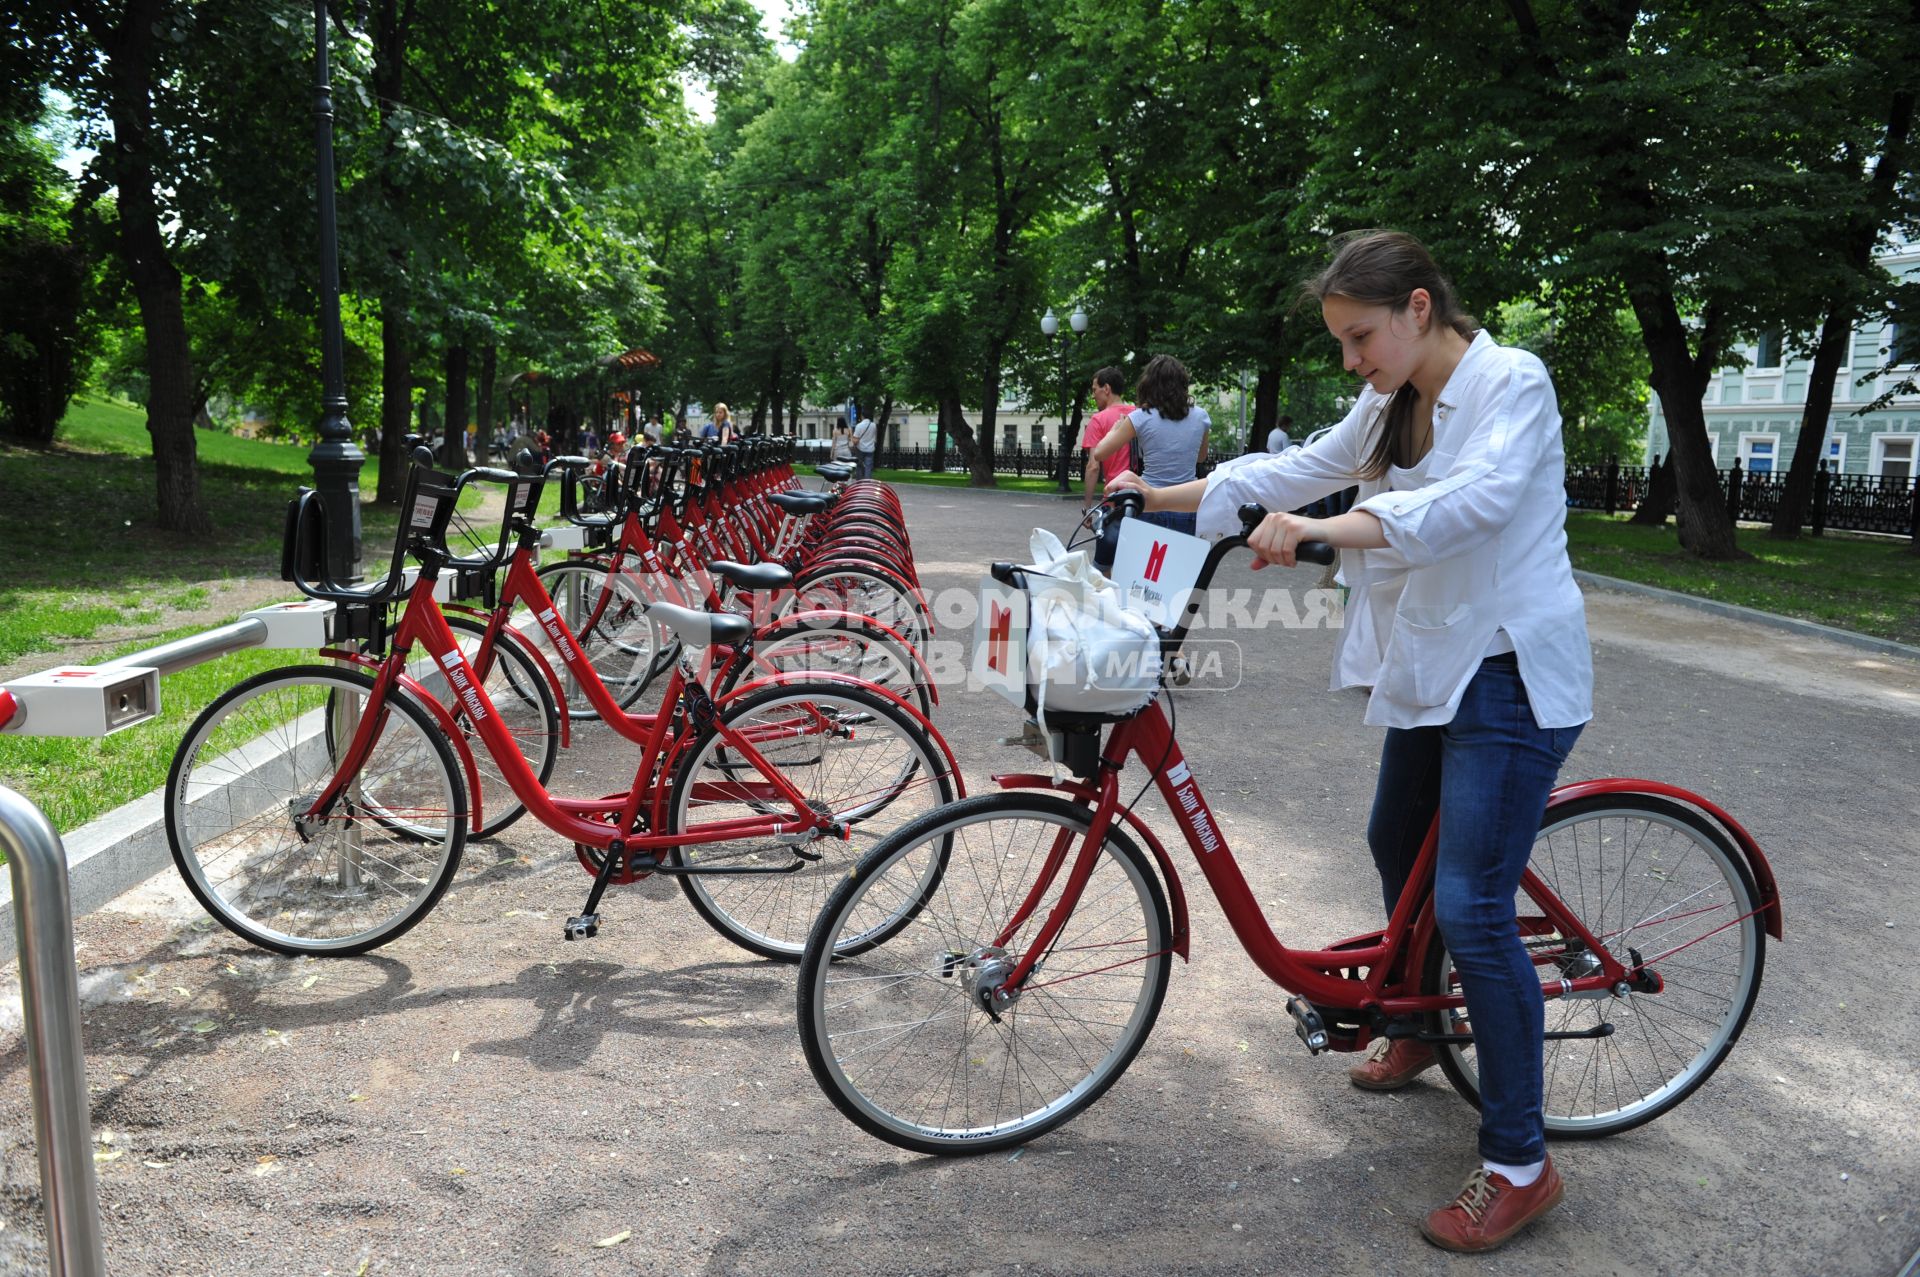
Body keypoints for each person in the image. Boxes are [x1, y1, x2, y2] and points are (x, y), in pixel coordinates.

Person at [1107, 230, 1591, 1253]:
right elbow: (1300, 464)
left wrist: (1327, 530)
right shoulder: (1389, 399)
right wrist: (1163, 497)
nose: (1351, 361)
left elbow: (1474, 504)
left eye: (1359, 336)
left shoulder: (1515, 382)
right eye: (1340, 342)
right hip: (1437, 663)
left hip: (1510, 669)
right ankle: (1416, 1023)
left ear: (1419, 308)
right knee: (1392, 840)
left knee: (1469, 903)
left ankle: (1519, 1160)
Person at [1090, 354, 1209, 536]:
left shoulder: (1140, 417)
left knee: (1145, 563)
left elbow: (1100, 453)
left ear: (1149, 384)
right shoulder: (1201, 416)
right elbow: (1201, 457)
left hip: (1148, 501)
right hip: (1186, 503)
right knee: (1181, 562)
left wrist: (1115, 429)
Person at [1078, 366, 1138, 570]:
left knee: (1102, 568)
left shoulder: (1098, 420)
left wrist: (1087, 507)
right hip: (1143, 501)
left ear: (1107, 388)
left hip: (1114, 502)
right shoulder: (1138, 414)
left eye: (1095, 389)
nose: (1093, 395)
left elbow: (1093, 466)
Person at [851, 411, 877, 480]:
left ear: (862, 416)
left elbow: (855, 438)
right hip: (870, 449)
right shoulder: (873, 425)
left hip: (860, 448)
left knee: (859, 465)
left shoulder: (859, 426)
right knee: (868, 466)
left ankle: (859, 481)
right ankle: (867, 482)